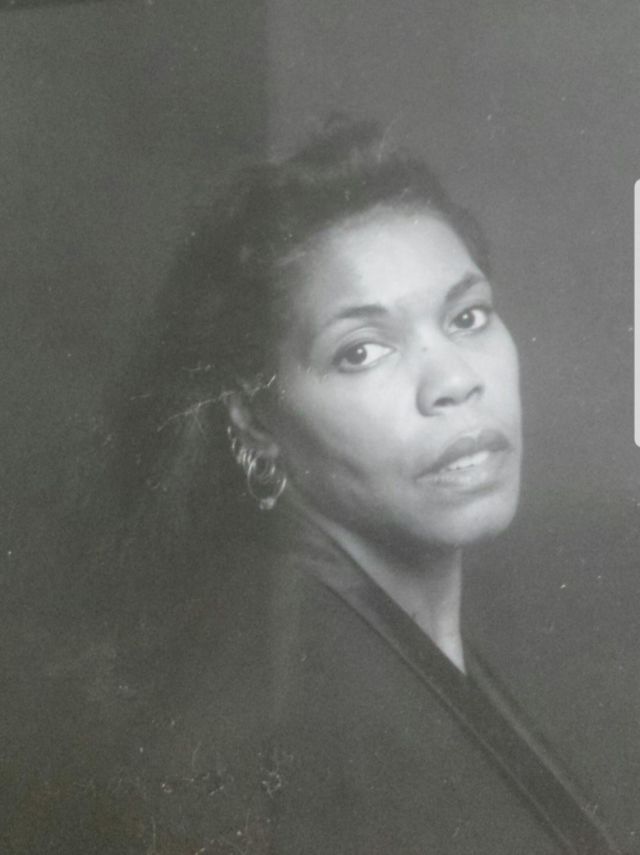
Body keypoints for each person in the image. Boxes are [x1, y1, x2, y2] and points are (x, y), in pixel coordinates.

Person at [8, 120, 624, 854]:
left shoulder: (389, 650)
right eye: (360, 351)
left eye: (468, 316)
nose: (455, 381)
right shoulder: (279, 727)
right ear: (254, 419)